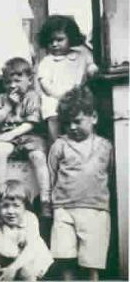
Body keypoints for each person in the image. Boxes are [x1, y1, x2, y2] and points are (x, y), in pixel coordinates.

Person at [48, 86, 113, 281]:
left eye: (77, 121)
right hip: (64, 209)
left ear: (93, 117)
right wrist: (50, 204)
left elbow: (108, 173)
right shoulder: (60, 145)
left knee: (92, 261)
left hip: (96, 210)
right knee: (65, 258)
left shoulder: (105, 146)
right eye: (67, 123)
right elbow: (52, 174)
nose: (72, 127)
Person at [0, 57, 51, 218]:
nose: (12, 86)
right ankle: (0, 193)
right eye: (8, 82)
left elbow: (31, 122)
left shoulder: (32, 96)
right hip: (8, 136)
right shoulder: (2, 98)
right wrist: (8, 105)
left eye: (17, 80)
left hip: (29, 135)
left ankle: (45, 198)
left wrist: (10, 134)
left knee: (38, 156)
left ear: (29, 80)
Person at [0, 180, 53, 281]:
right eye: (5, 206)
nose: (11, 211)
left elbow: (31, 248)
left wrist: (13, 268)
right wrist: (7, 229)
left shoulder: (30, 218)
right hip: (2, 254)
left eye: (16, 206)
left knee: (27, 272)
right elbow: (5, 249)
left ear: (25, 207)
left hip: (28, 254)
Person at [37, 15, 98, 144]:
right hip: (56, 96)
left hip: (78, 94)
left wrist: (92, 69)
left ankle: (87, 141)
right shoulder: (47, 61)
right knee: (50, 107)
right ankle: (57, 143)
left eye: (60, 40)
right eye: (50, 41)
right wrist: (59, 95)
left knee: (85, 107)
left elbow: (90, 66)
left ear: (71, 38)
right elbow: (45, 83)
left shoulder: (81, 55)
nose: (54, 44)